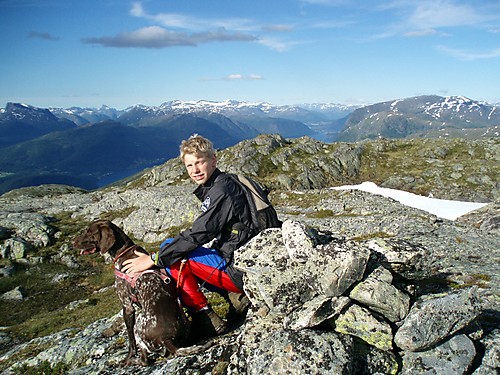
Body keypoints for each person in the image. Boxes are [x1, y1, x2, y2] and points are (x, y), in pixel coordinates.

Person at [122, 134, 253, 337]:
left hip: (239, 271)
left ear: (213, 160)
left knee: (172, 253)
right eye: (189, 165)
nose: (195, 170)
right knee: (173, 247)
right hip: (242, 260)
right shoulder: (221, 183)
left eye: (200, 162)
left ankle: (205, 317)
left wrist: (154, 258)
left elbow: (199, 234)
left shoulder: (221, 191)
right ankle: (234, 297)